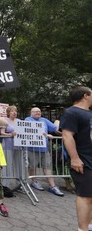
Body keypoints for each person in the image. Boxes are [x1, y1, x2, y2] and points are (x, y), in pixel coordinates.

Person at [60, 86, 92, 231]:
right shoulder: (71, 112)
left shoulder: (89, 113)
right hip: (83, 161)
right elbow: (67, 135)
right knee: (86, 196)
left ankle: (89, 225)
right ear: (86, 96)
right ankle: (82, 230)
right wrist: (74, 158)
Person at [25, 107, 64, 196]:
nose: (38, 112)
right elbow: (33, 130)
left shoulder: (44, 120)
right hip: (32, 148)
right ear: (31, 113)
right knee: (32, 166)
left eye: (39, 111)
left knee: (47, 166)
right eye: (35, 111)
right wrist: (47, 135)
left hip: (44, 148)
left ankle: (52, 185)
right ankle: (34, 181)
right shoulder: (28, 119)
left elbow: (55, 128)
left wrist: (57, 122)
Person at [0, 105, 24, 191]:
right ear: (8, 113)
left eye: (16, 111)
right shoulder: (5, 121)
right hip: (8, 146)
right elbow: (2, 133)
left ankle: (19, 184)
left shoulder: (19, 121)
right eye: (12, 111)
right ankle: (5, 185)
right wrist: (10, 135)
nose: (14, 113)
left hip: (18, 146)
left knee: (19, 165)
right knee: (7, 165)